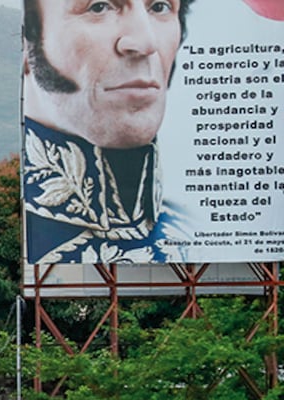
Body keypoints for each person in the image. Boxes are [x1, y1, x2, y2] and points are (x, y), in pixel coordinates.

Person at [23, 0, 195, 263]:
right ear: (27, 43)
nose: (146, 42)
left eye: (160, 6)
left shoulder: (199, 237)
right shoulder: (29, 239)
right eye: (99, 7)